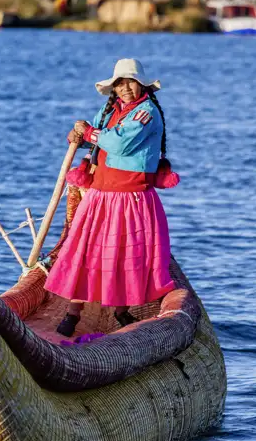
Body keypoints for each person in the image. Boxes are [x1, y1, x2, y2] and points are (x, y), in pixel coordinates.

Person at [44, 58, 180, 337]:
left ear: (142, 84)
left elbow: (119, 143)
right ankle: (73, 311)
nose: (126, 88)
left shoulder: (146, 113)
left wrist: (90, 133)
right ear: (114, 88)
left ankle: (120, 310)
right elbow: (94, 134)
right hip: (100, 195)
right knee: (85, 251)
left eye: (131, 82)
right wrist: (78, 134)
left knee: (123, 255)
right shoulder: (110, 110)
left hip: (130, 198)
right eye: (120, 83)